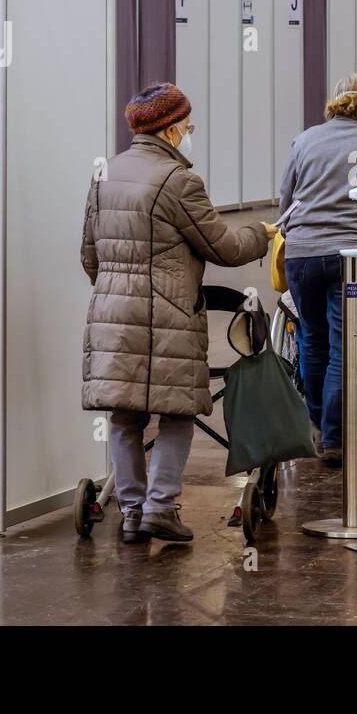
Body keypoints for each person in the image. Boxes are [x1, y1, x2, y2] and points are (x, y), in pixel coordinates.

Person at [81, 82, 276, 544]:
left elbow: (89, 254)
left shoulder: (105, 173)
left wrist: (118, 289)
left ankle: (130, 511)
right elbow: (224, 248)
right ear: (170, 131)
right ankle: (160, 508)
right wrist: (261, 233)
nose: (191, 133)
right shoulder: (178, 180)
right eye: (189, 125)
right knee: (178, 412)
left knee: (125, 415)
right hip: (168, 315)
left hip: (111, 313)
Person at [278, 74, 357, 467]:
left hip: (303, 254)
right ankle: (338, 438)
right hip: (356, 257)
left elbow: (286, 199)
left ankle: (319, 424)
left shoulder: (304, 139)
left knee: (312, 339)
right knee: (347, 347)